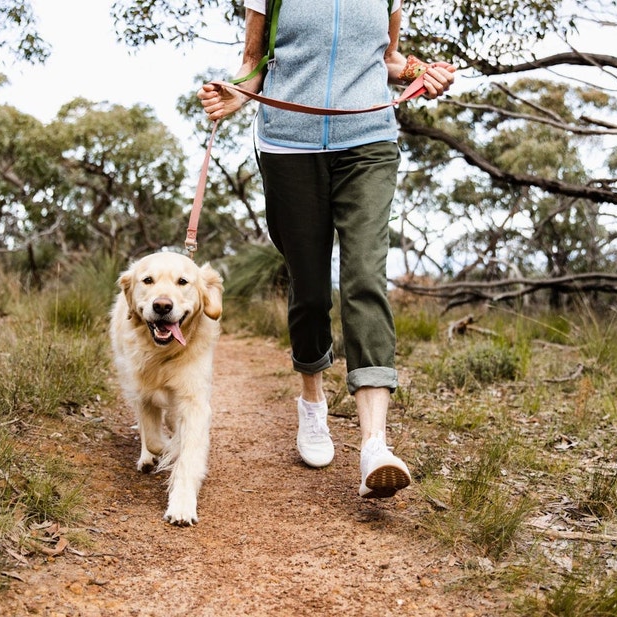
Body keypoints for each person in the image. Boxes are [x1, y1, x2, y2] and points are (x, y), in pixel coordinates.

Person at [198, 0, 456, 498]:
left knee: (364, 278)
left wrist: (423, 71)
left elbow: (388, 58)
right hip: (289, 147)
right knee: (311, 288)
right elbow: (254, 63)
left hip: (368, 142)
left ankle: (374, 445)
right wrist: (236, 95)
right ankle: (313, 404)